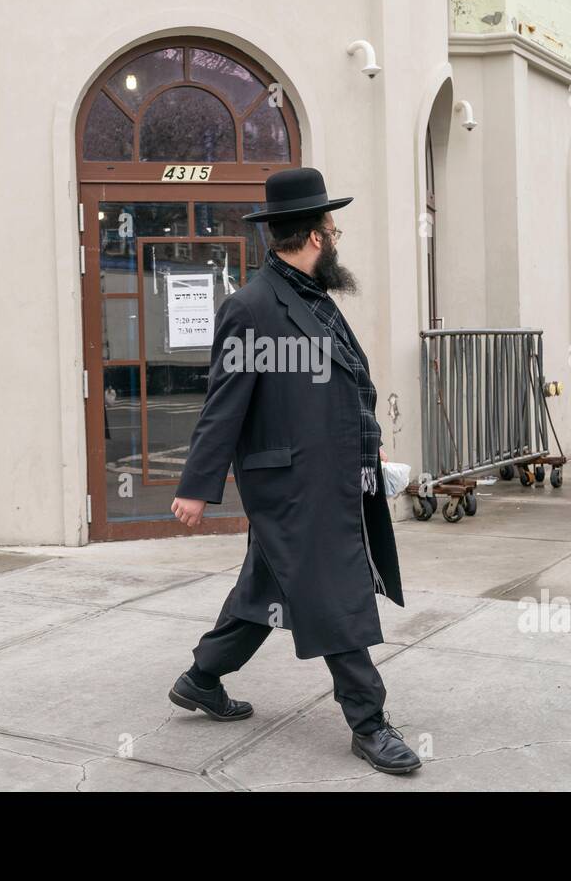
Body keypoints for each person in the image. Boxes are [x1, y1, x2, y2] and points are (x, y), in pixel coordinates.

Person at [167, 167, 419, 775]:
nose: (336, 239)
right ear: (313, 237)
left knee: (266, 591)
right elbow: (223, 404)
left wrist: (370, 448)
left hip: (331, 475)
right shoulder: (251, 307)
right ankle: (369, 722)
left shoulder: (313, 300)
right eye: (333, 230)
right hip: (292, 488)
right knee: (334, 593)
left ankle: (201, 678)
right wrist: (197, 488)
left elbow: (347, 387)